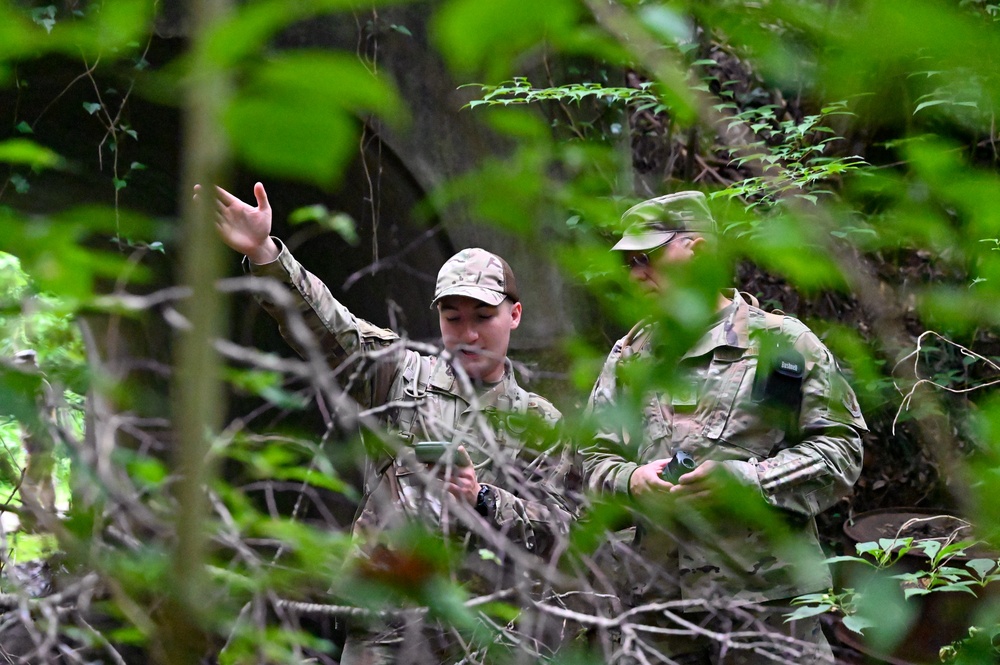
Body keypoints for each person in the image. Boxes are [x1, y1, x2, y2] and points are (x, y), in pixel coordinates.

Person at [195, 181, 575, 664]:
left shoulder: (541, 421)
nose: (469, 332)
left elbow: (563, 532)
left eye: (484, 315)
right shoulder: (400, 373)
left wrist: (483, 499)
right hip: (386, 629)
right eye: (453, 317)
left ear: (515, 315)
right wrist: (267, 253)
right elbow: (331, 325)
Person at [583, 191, 866, 664]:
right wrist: (632, 480)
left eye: (646, 257)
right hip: (663, 614)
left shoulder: (781, 344)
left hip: (769, 611)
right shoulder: (631, 355)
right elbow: (589, 459)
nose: (635, 274)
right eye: (628, 263)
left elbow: (840, 451)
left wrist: (749, 481)